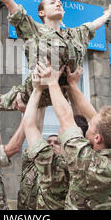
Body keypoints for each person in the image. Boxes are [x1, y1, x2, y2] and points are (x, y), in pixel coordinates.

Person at [35, 59, 111, 210]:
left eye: (90, 125)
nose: (88, 123)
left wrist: (51, 83)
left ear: (97, 138)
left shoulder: (87, 162)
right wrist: (73, 86)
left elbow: (65, 118)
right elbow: (94, 118)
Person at [19, 72, 70, 210]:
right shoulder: (33, 162)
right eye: (49, 142)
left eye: (56, 142)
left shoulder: (65, 168)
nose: (52, 144)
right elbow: (36, 130)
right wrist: (42, 104)